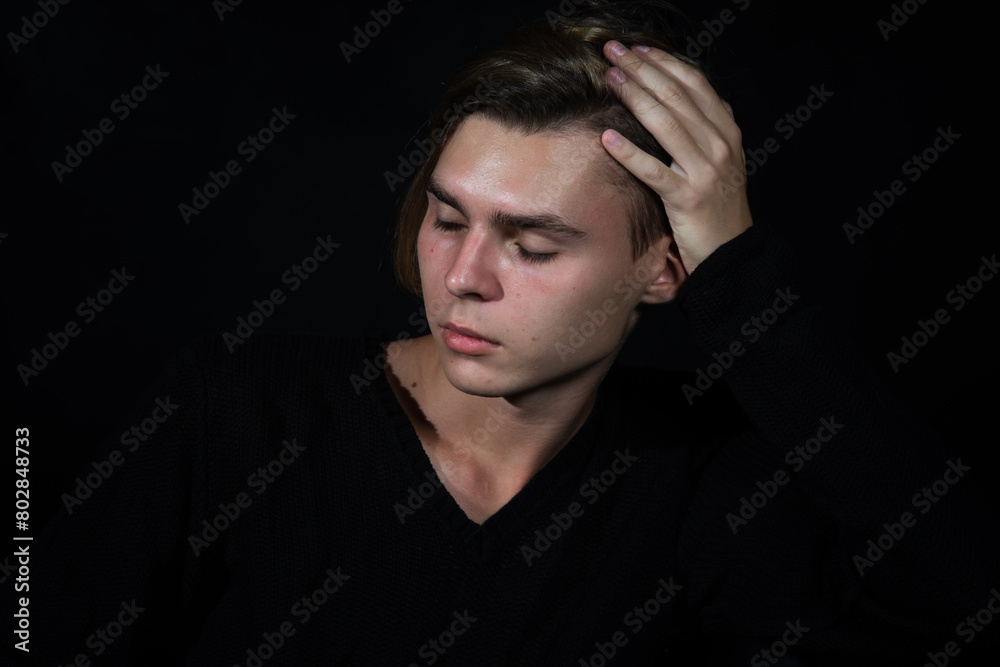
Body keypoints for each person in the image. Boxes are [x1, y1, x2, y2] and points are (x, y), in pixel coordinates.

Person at [19, 1, 999, 665]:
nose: (462, 278)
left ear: (664, 272)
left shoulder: (704, 482)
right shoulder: (242, 407)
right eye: (449, 217)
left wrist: (741, 271)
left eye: (531, 244)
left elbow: (956, 598)